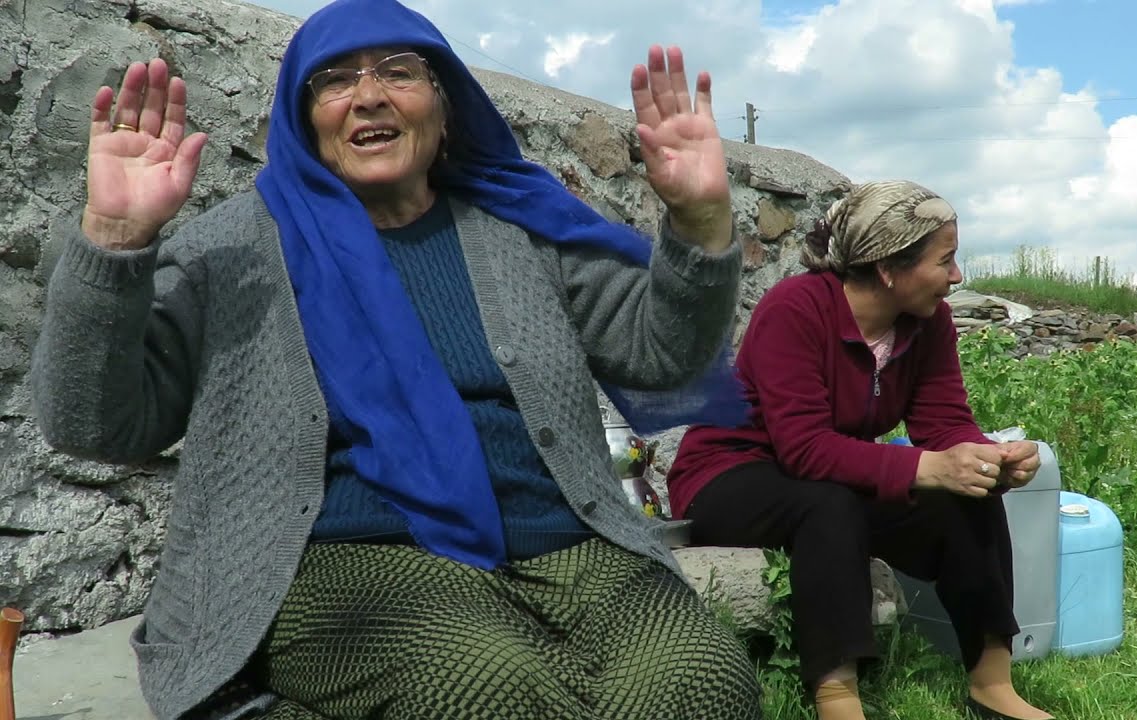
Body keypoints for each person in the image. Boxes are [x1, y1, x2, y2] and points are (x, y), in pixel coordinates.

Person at [30, 0, 762, 718]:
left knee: (698, 681)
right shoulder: (229, 254)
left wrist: (698, 224)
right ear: (300, 115)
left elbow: (662, 357)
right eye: (336, 79)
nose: (369, 95)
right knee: (490, 688)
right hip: (345, 562)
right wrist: (113, 242)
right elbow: (92, 425)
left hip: (570, 546)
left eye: (399, 72)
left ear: (446, 109)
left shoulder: (521, 229)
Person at [665, 181, 1055, 720]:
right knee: (829, 502)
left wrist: (988, 457)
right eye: (945, 261)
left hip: (822, 473)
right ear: (888, 268)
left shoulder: (928, 322)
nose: (957, 276)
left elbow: (942, 422)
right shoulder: (795, 309)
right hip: (730, 476)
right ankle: (837, 695)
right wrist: (927, 466)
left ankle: (992, 682)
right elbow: (803, 449)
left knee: (970, 488)